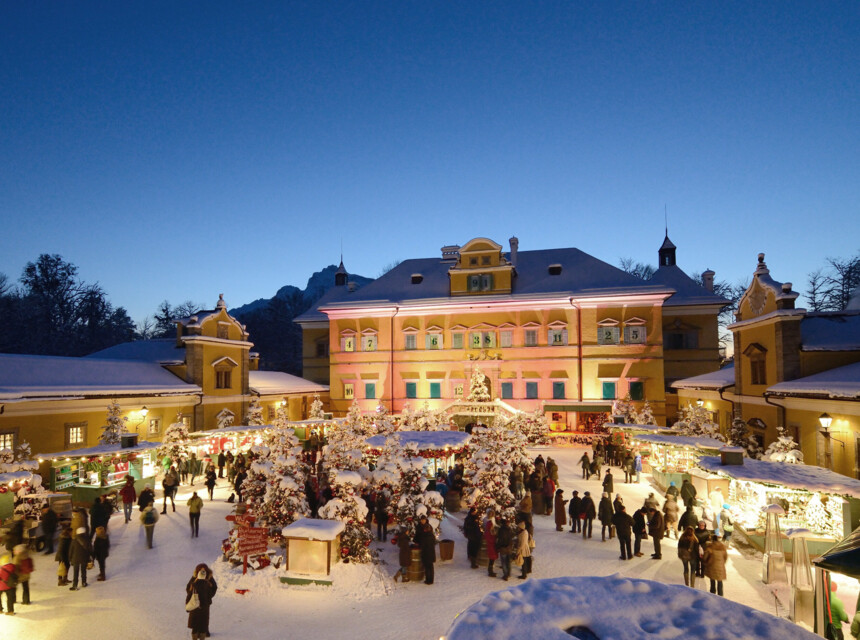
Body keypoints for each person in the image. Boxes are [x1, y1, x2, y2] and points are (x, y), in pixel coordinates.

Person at [186, 565, 215, 640]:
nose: (203, 571)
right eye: (201, 570)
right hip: (198, 605)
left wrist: (188, 606)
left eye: (204, 570)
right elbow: (188, 589)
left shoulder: (195, 583)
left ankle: (202, 633)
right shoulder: (206, 584)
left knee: (200, 623)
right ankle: (200, 634)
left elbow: (214, 588)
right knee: (202, 622)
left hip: (197, 606)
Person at [413, 514, 436, 585]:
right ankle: (430, 579)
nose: (423, 521)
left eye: (424, 519)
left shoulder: (424, 536)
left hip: (426, 552)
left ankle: (428, 580)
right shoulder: (431, 535)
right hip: (431, 552)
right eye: (422, 520)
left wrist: (419, 543)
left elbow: (422, 541)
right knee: (430, 566)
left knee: (427, 566)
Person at [69, 526, 91, 590]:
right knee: (83, 571)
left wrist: (70, 558)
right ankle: (84, 582)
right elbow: (90, 549)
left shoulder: (74, 540)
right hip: (84, 558)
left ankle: (75, 585)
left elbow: (71, 550)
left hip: (75, 559)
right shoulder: (87, 539)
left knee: (75, 572)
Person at [483, 509, 499, 577]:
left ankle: (490, 570)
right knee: (492, 559)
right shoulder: (490, 532)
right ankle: (490, 571)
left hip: (491, 545)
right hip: (491, 546)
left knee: (491, 559)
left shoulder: (488, 529)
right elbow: (491, 538)